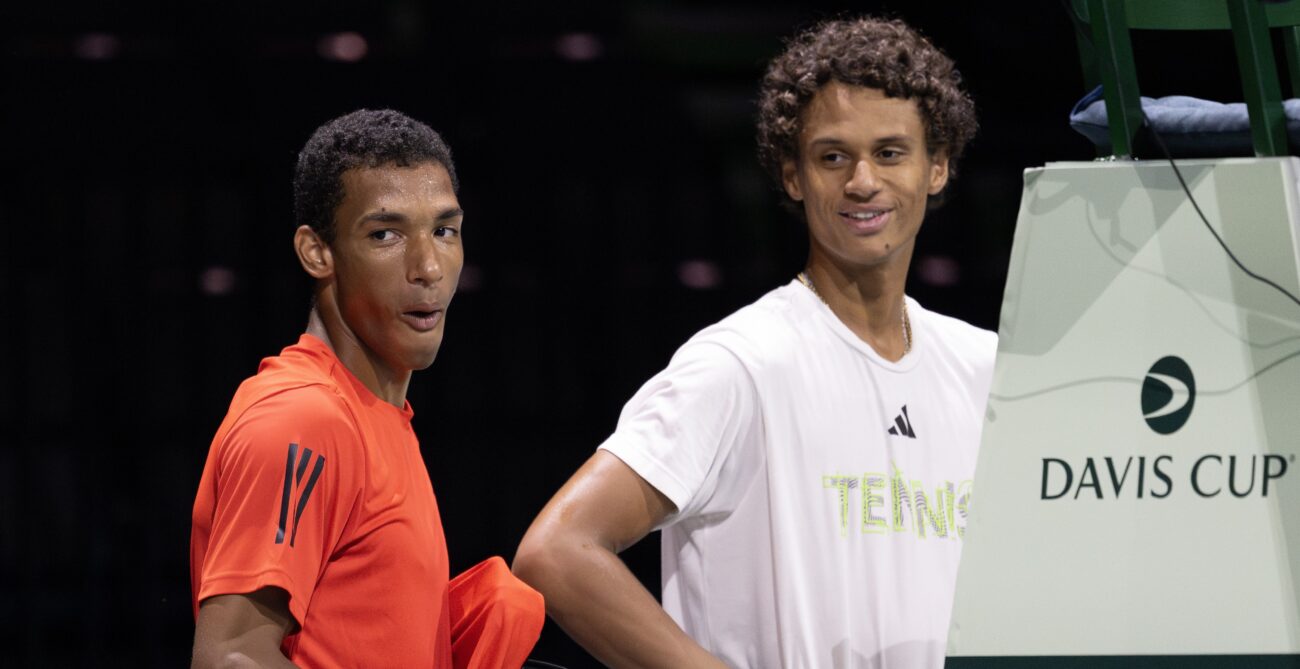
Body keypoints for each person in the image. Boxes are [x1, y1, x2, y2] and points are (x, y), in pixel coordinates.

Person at [512, 16, 994, 668]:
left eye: (889, 152)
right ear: (793, 175)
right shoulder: (740, 363)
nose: (861, 181)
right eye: (832, 156)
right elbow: (557, 551)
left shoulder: (985, 368)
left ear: (937, 167)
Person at [190, 109, 544, 669]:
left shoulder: (378, 416)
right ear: (317, 252)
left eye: (444, 231)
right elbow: (230, 657)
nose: (428, 266)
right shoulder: (303, 420)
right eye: (385, 234)